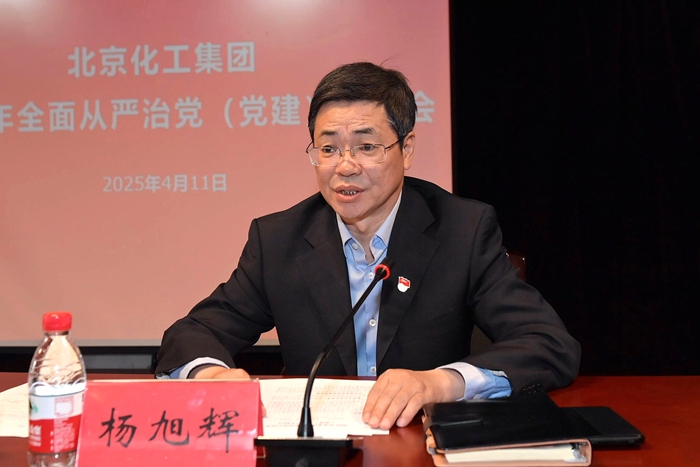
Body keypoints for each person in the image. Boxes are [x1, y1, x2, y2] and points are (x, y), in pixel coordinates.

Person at [155, 62, 580, 430]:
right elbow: (192, 333)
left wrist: (441, 381)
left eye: (366, 146)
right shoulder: (279, 239)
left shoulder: (462, 231)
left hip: (421, 443)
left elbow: (549, 344)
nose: (345, 166)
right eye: (328, 148)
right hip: (320, 448)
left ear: (406, 149)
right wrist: (210, 376)